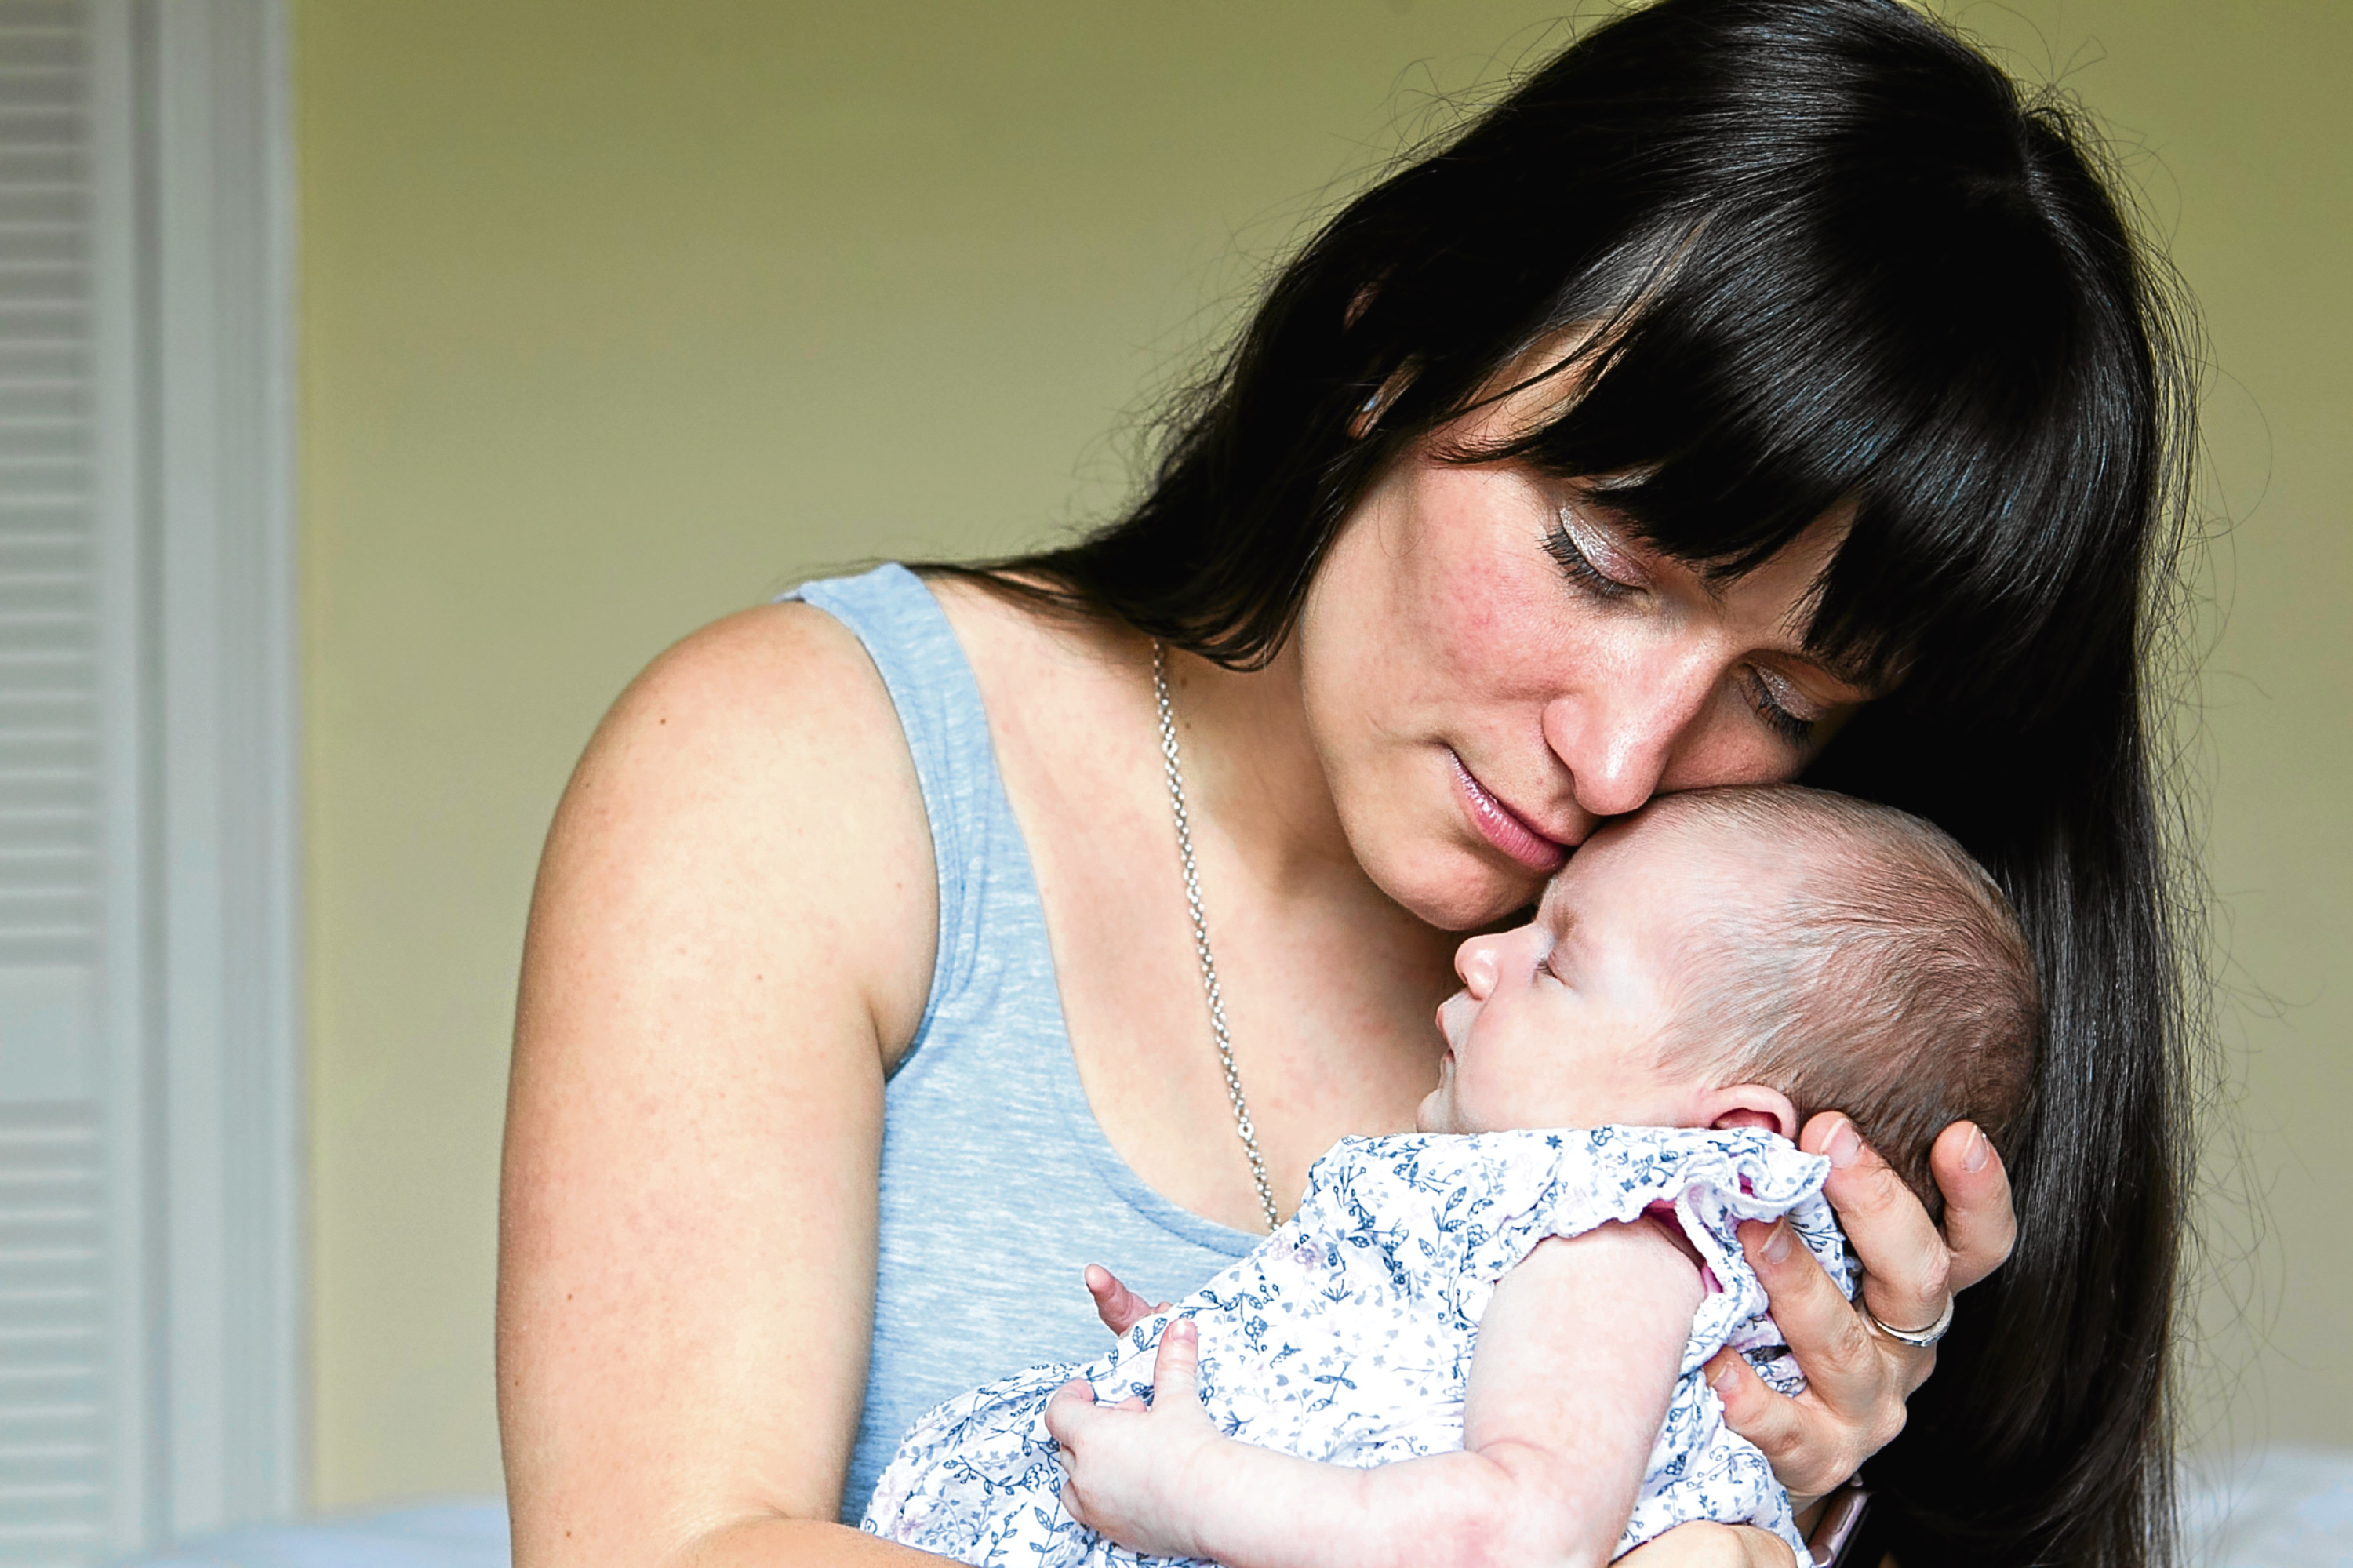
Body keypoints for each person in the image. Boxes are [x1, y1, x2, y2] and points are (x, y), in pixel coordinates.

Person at [496, 2, 2201, 1565]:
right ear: (1392, 344)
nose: (1622, 760)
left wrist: (1775, 1479)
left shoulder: (1764, 1010)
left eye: (1783, 697)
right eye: (1603, 562)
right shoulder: (808, 772)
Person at [863, 786, 2037, 1567]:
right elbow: (1406, 1413)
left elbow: (1514, 1533)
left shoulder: (1615, 1240)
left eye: (1558, 961)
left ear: (1719, 1130)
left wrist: (1190, 1482)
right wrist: (1234, 1350)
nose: (1484, 956)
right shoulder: (1549, 1229)